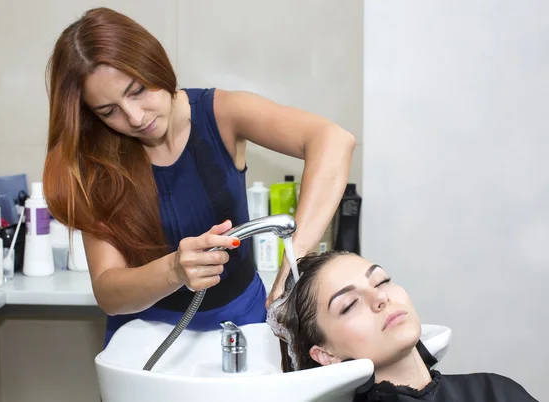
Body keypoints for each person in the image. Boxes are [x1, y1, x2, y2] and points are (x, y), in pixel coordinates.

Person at [42, 7, 356, 347]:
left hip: (240, 324)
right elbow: (109, 292)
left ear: (155, 64)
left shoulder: (221, 113)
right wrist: (175, 270)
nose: (134, 117)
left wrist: (292, 260)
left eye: (137, 91)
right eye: (109, 111)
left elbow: (334, 140)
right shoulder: (96, 161)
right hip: (145, 336)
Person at [270, 251, 539, 401]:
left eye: (381, 281)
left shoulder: (494, 392)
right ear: (325, 354)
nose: (380, 298)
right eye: (350, 304)